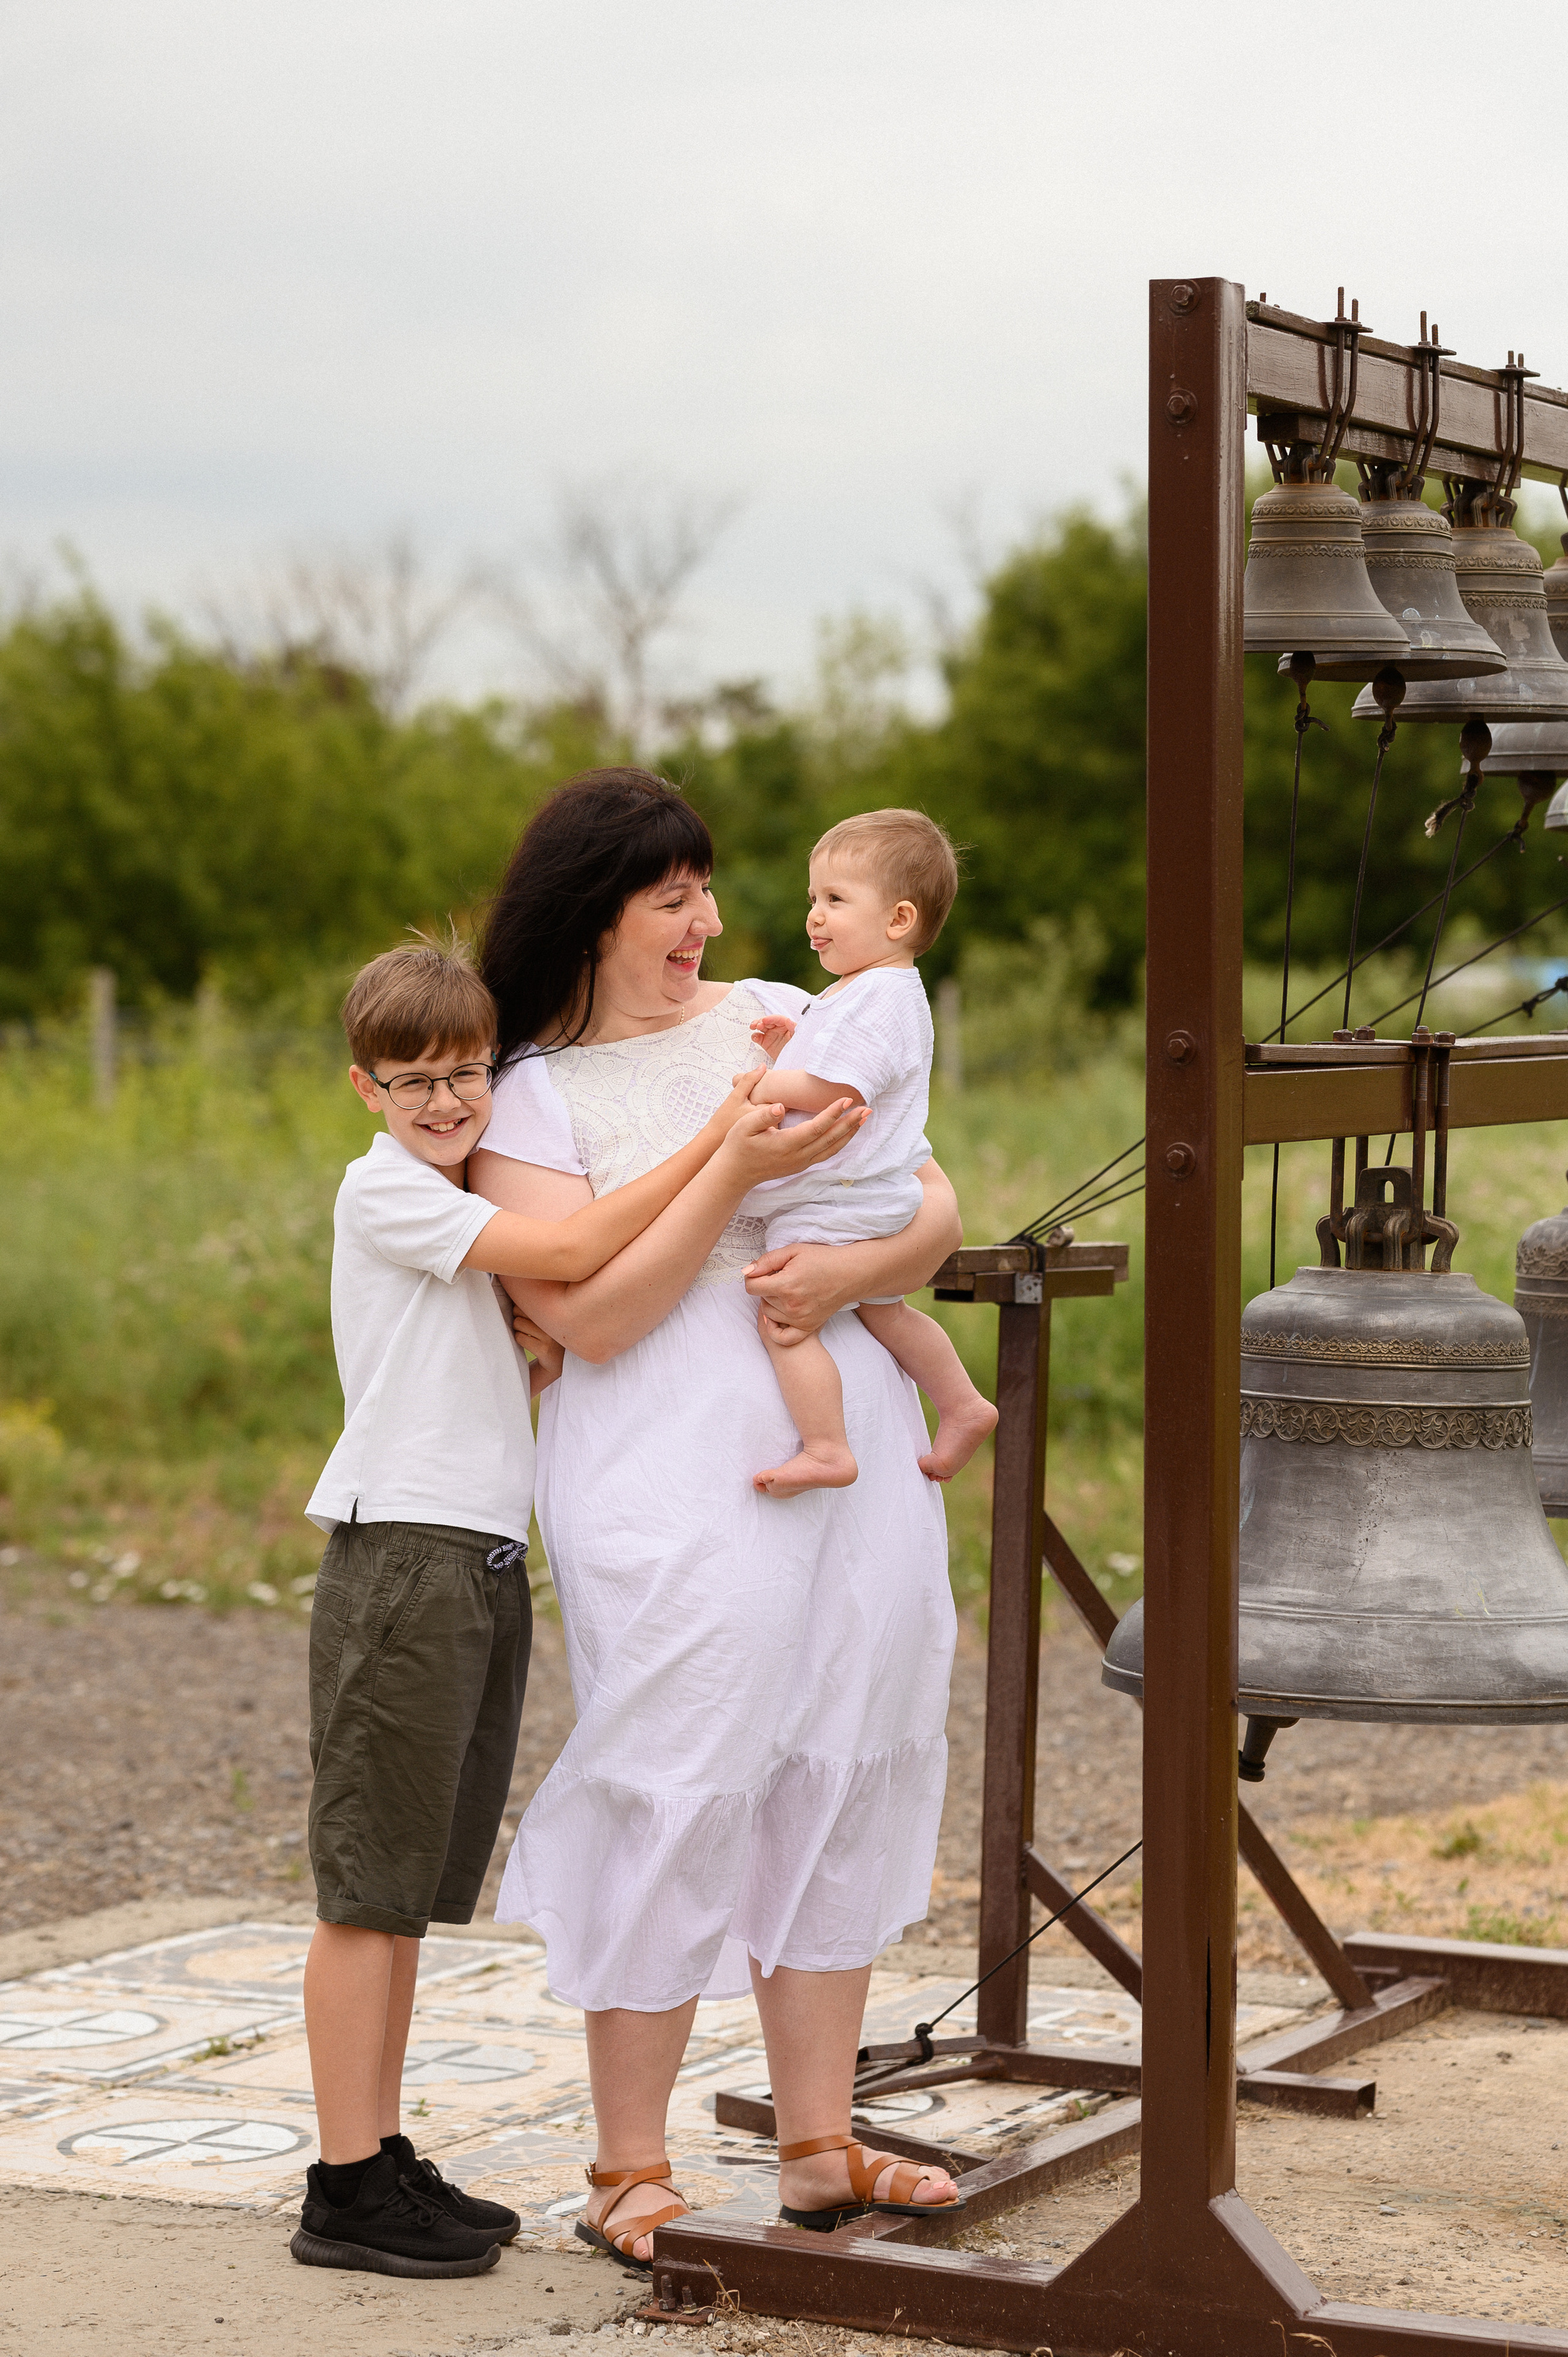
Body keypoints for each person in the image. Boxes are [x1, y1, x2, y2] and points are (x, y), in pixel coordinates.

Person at [293, 937, 862, 2281]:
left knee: (413, 1891)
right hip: (405, 1556)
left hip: (475, 1558)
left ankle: (377, 2157)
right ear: (363, 1088)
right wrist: (723, 1139)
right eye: (412, 1080)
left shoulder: (441, 1206)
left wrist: (538, 1357)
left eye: (466, 1073)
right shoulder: (390, 1195)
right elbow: (574, 1238)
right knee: (365, 1892)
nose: (445, 1103)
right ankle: (341, 2180)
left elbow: (529, 1332)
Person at [470, 768, 969, 2267]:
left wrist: (852, 1266)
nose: (708, 921)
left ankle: (817, 2144)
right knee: (678, 1757)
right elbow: (595, 1315)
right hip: (665, 1454)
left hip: (845, 1433)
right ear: (592, 913)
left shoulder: (786, 1006)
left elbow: (933, 1202)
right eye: (671, 896)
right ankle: (626, 2160)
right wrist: (735, 1168)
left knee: (839, 1742)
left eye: (706, 891)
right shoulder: (532, 1094)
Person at [739, 807, 999, 1498]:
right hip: (869, 1190)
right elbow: (830, 1069)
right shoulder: (863, 989)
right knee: (884, 1309)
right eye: (812, 899)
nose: (814, 917)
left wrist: (764, 1080)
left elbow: (834, 1088)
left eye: (834, 900)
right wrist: (782, 1046)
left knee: (784, 1321)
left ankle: (826, 1447)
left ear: (899, 920)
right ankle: (963, 1403)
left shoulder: (881, 993)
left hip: (843, 1197)